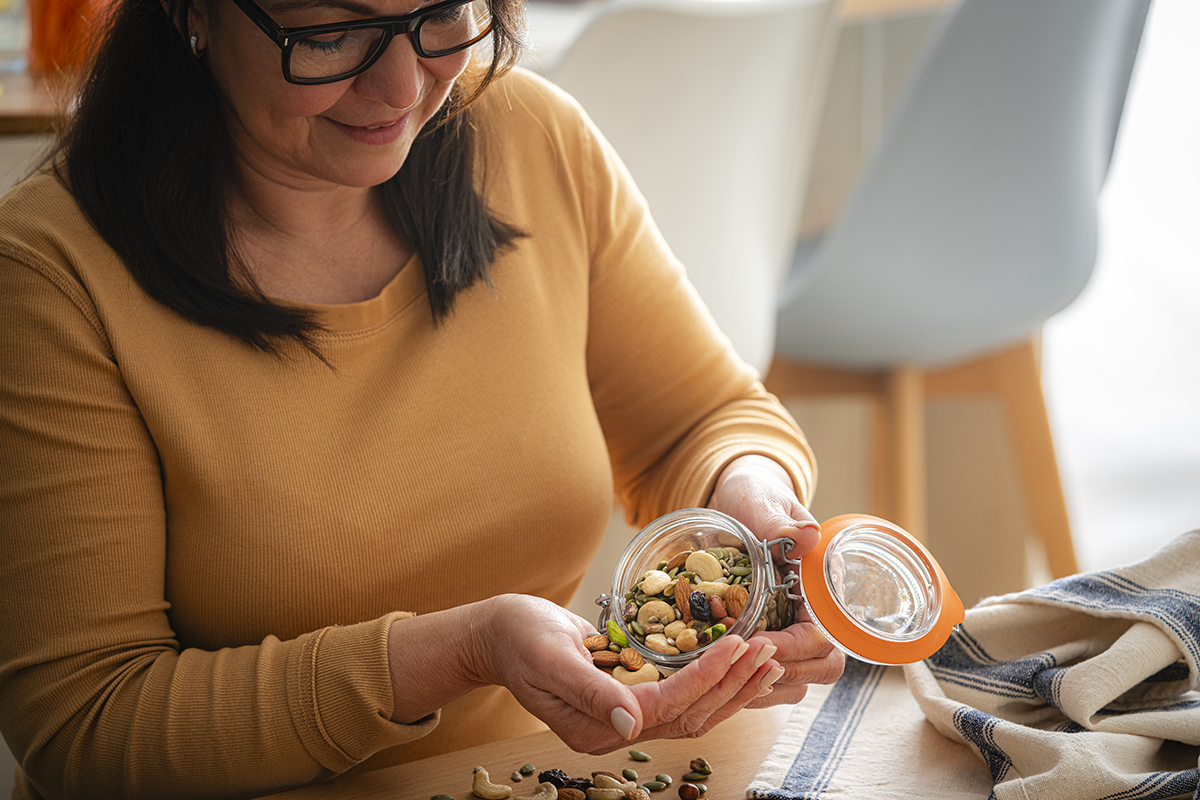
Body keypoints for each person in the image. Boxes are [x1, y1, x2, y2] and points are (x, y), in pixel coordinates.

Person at [0, 0, 845, 796]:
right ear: (191, 11)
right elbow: (87, 721)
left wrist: (755, 506)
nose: (403, 86)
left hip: (530, 772)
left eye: (440, 13)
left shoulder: (530, 138)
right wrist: (457, 651)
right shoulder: (50, 274)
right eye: (331, 33)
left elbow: (699, 421)